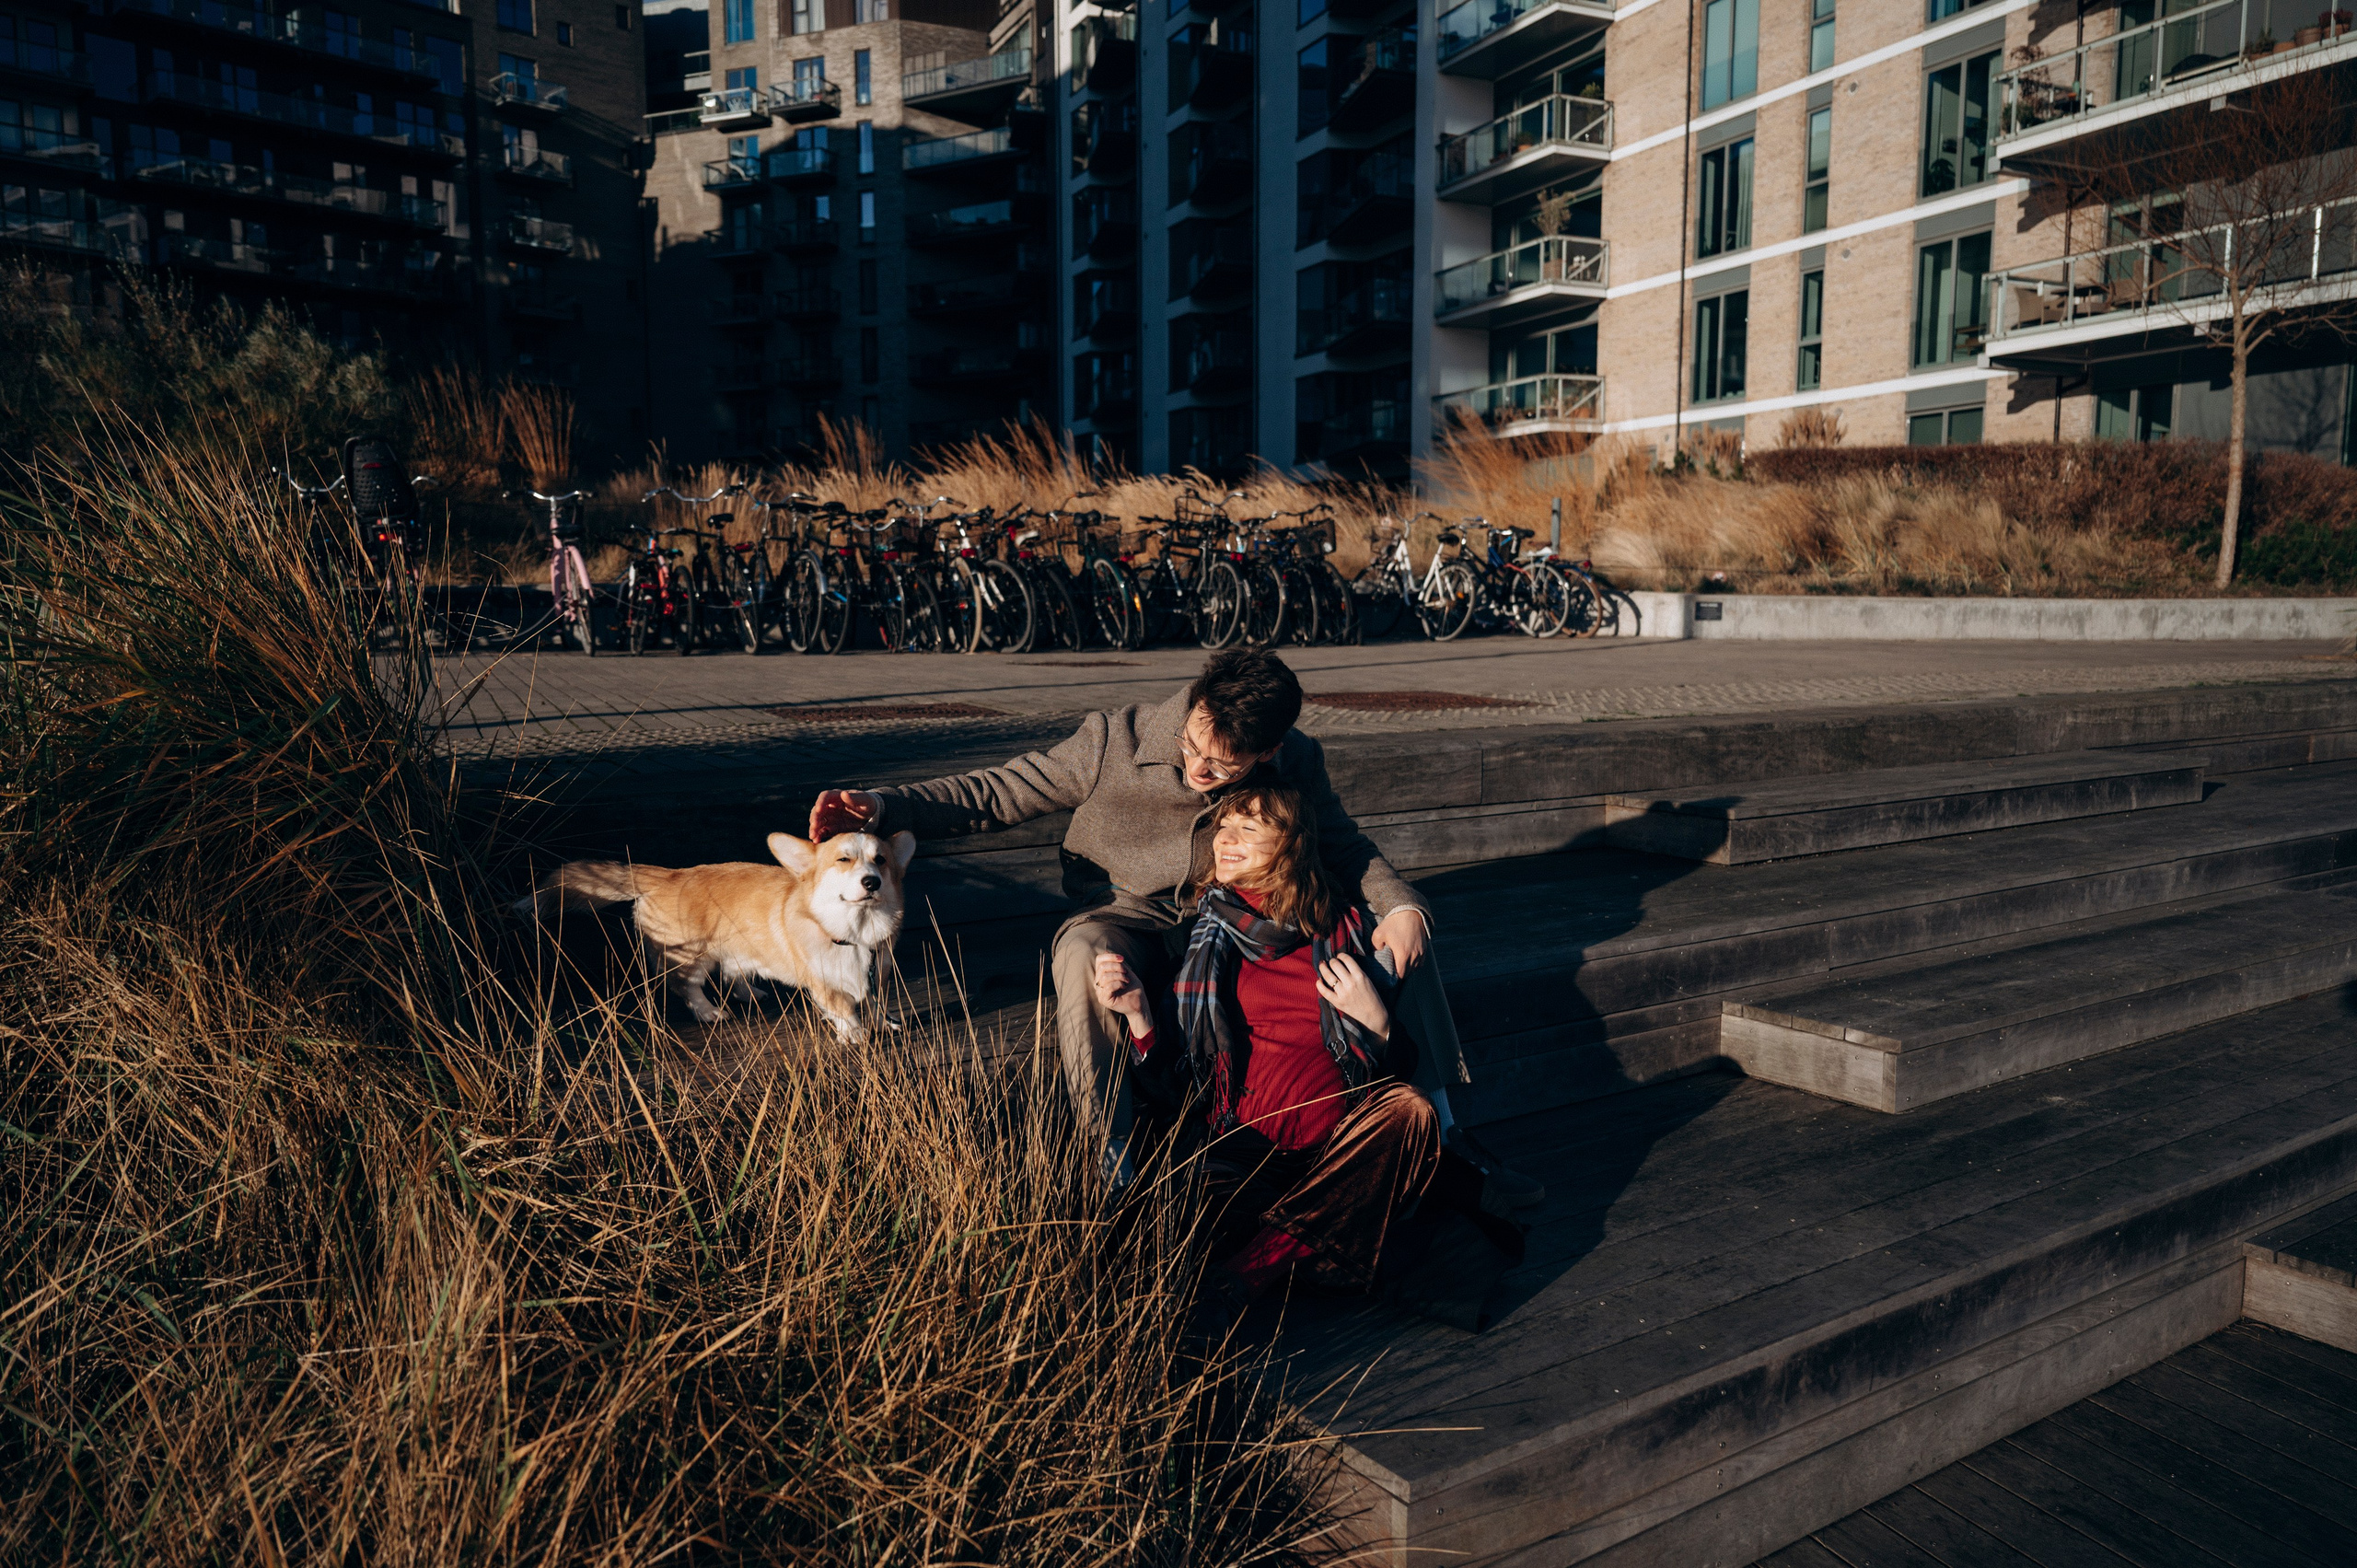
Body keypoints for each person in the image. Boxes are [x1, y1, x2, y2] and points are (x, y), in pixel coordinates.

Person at [808, 648, 1540, 1205]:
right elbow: (997, 789)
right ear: (1192, 704)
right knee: (1082, 954)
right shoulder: (1114, 739)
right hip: (1129, 913)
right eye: (1193, 746)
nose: (1198, 767)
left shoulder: (1297, 760)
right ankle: (1111, 1158)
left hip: (1241, 920)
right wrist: (880, 803)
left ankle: (1440, 1125)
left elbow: (1343, 846)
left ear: (1269, 751)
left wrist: (1405, 907)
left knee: (1390, 926)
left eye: (1222, 767)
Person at [1090, 784, 1451, 1318]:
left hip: (1334, 1152)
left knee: (1412, 1111)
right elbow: (1173, 1090)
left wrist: (1376, 1023)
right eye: (1223, 829)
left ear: (1292, 845)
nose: (1225, 841)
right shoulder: (1195, 940)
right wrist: (1141, 1016)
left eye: (1249, 829)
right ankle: (1312, 1245)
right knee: (1164, 1219)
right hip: (1237, 1154)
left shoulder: (1351, 931)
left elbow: (1393, 1072)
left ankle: (1250, 1272)